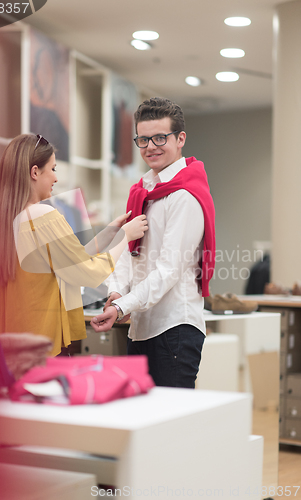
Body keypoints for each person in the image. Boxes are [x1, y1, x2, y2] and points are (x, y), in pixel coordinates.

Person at [91, 97, 215, 388]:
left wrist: (123, 306)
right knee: (144, 423)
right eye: (143, 139)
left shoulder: (184, 195)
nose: (150, 147)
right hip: (141, 326)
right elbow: (129, 253)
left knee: (172, 428)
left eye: (160, 137)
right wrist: (116, 293)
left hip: (175, 328)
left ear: (180, 138)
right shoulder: (142, 190)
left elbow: (168, 269)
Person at [0, 134, 148, 356]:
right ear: (35, 172)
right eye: (53, 169)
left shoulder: (10, 220)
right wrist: (125, 237)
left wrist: (108, 234)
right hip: (42, 343)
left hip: (13, 342)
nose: (55, 178)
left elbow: (68, 262)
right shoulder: (43, 215)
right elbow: (86, 273)